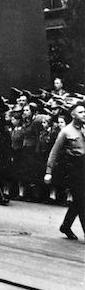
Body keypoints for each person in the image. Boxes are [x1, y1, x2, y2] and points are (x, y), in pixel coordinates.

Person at [44, 103, 84, 241]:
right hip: (73, 169)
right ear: (73, 115)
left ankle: (66, 226)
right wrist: (49, 171)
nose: (84, 114)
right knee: (82, 200)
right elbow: (54, 152)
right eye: (81, 112)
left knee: (78, 201)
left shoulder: (84, 129)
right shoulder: (66, 132)